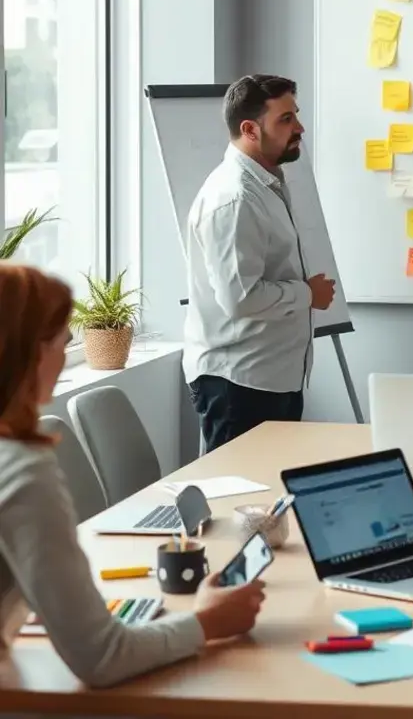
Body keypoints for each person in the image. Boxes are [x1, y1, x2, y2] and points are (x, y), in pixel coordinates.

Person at [0, 264, 266, 687]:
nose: (72, 349)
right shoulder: (22, 468)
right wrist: (207, 622)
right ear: (32, 352)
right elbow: (103, 657)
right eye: (66, 340)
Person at [184, 75, 336, 452]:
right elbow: (240, 299)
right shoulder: (234, 199)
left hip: (272, 376)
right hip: (240, 384)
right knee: (239, 502)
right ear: (250, 129)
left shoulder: (267, 184)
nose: (299, 127)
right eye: (286, 119)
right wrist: (307, 294)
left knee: (268, 500)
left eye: (295, 115)